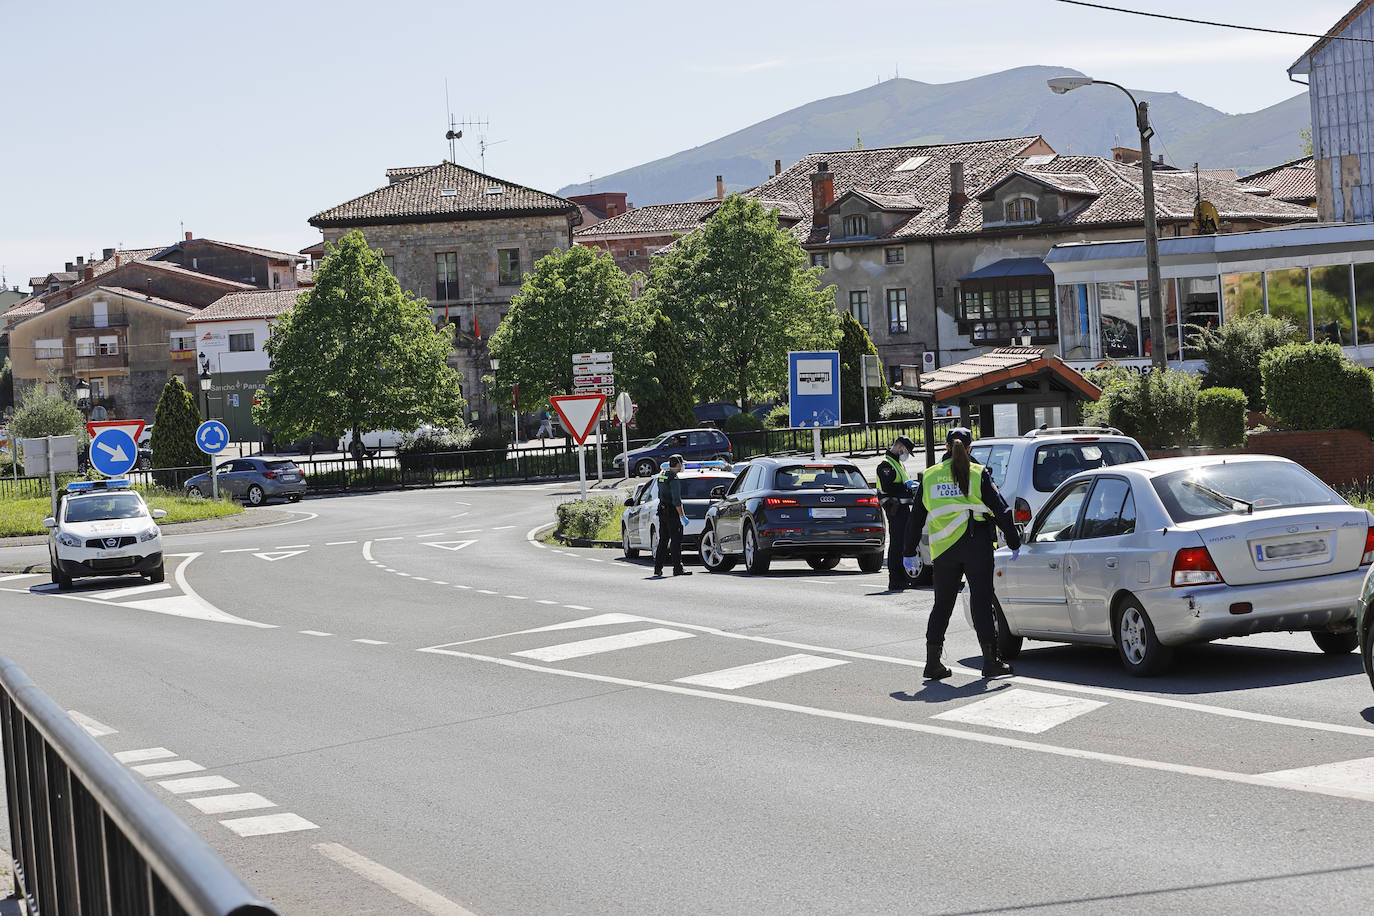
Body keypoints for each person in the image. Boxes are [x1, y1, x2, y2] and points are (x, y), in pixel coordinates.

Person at [903, 427, 1021, 679]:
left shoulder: (930, 476)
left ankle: (932, 663)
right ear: (970, 449)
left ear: (946, 447)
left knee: (942, 605)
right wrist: (1014, 541)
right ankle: (990, 662)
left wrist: (908, 551)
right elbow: (1001, 510)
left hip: (943, 550)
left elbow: (915, 519)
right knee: (981, 603)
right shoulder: (978, 473)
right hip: (976, 546)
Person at [875, 435, 918, 591]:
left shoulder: (897, 464)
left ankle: (902, 578)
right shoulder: (886, 465)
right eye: (907, 451)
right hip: (894, 510)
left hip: (902, 509)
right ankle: (895, 579)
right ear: (901, 447)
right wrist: (906, 487)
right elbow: (888, 487)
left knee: (903, 543)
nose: (906, 455)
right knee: (897, 544)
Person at [653, 453, 692, 578]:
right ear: (679, 464)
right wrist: (682, 516)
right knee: (675, 541)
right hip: (672, 513)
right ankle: (678, 568)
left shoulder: (662, 476)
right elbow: (676, 500)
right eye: (682, 464)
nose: (683, 466)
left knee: (663, 541)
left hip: (662, 511)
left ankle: (657, 569)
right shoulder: (674, 478)